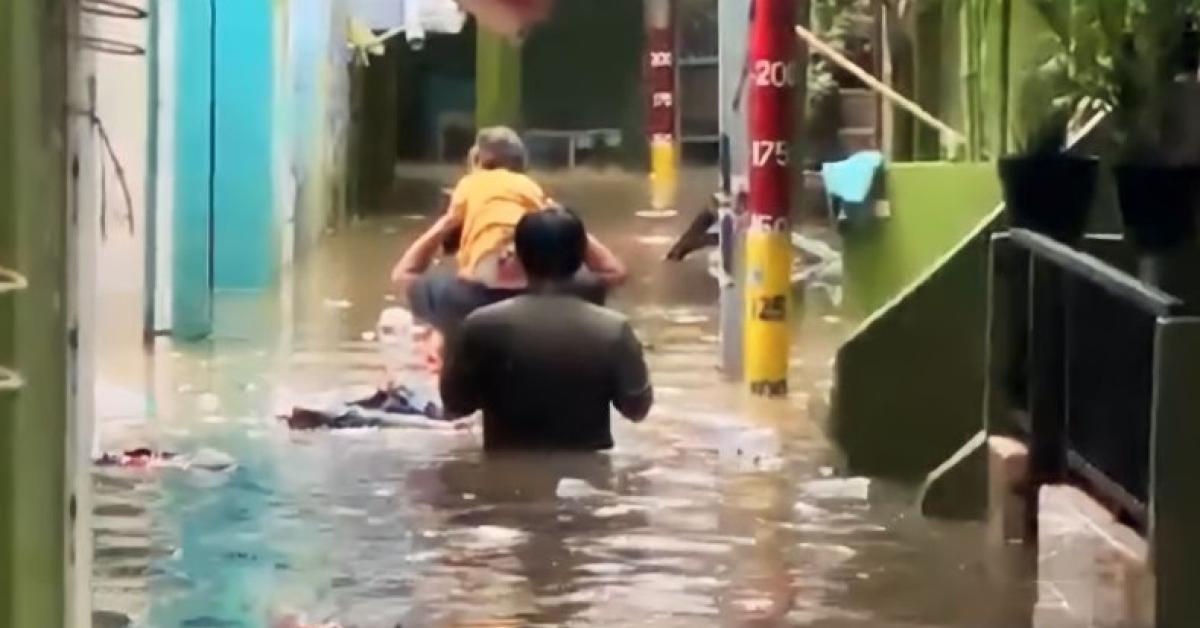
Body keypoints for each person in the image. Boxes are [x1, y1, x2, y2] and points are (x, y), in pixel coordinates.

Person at [392, 126, 625, 362]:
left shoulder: (470, 184)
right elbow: (613, 271)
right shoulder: (530, 188)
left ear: (479, 160)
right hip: (537, 291)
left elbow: (404, 273)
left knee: (423, 305)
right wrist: (559, 214)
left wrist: (447, 222)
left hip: (475, 294)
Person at [440, 207, 653, 450]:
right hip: (589, 481)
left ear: (519, 257)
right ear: (581, 258)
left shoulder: (480, 325)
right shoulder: (613, 329)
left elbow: (456, 405)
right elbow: (637, 409)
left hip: (505, 475)